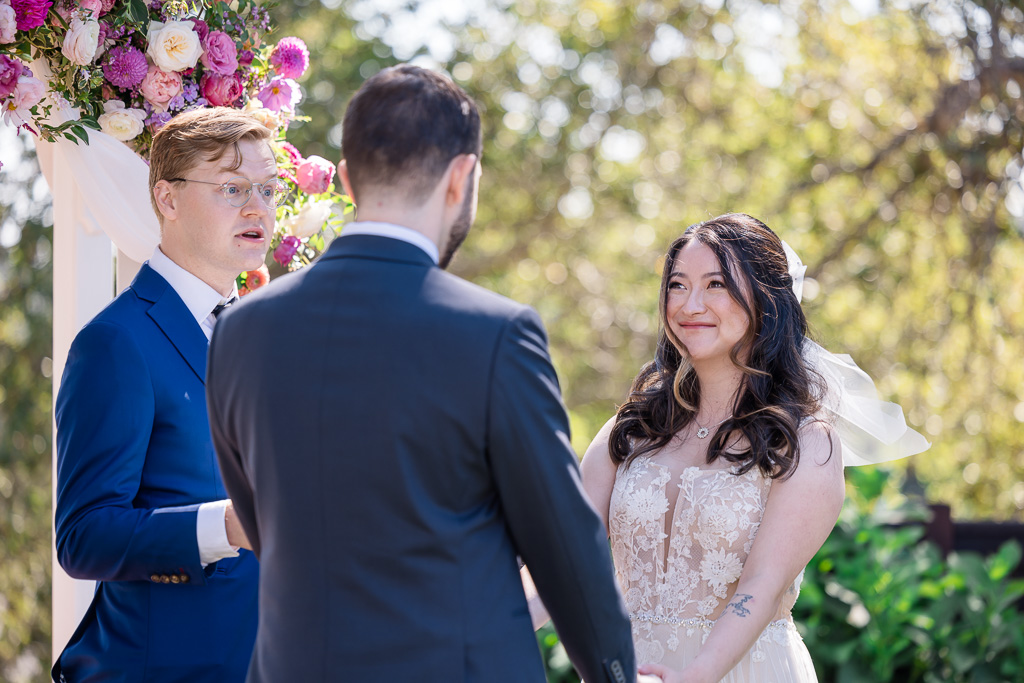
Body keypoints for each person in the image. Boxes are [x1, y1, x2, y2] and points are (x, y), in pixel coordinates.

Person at [205, 64, 637, 682]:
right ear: (462, 178)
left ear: (349, 180)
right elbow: (565, 550)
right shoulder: (495, 334)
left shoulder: (240, 330)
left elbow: (263, 523)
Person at [52, 108, 278, 682]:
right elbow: (84, 537)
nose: (258, 207)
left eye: (268, 189)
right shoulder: (114, 342)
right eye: (232, 187)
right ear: (168, 199)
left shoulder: (262, 334)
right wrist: (226, 526)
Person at [582, 213, 849, 683]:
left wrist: (696, 676)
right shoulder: (630, 431)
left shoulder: (805, 442)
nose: (690, 304)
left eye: (717, 284)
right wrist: (480, 633)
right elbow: (566, 557)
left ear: (766, 300)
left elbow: (762, 586)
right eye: (678, 285)